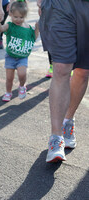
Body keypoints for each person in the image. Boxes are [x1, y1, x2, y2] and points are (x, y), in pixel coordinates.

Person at [38, 0, 89, 163]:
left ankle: (68, 120)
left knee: (83, 71)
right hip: (59, 5)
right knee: (61, 68)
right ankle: (56, 136)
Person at [0, 0, 39, 102]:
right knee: (9, 78)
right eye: (15, 17)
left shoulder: (28, 28)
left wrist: (37, 28)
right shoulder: (10, 25)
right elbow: (1, 29)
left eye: (21, 17)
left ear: (25, 16)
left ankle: (22, 86)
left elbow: (34, 37)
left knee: (22, 74)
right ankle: (8, 92)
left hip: (22, 57)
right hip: (10, 56)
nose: (18, 19)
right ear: (10, 14)